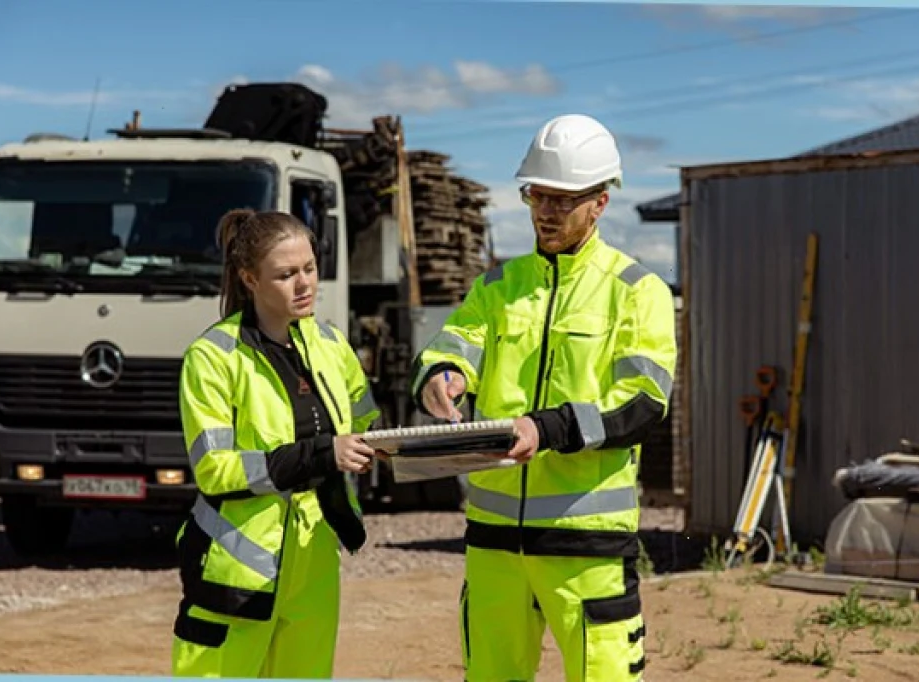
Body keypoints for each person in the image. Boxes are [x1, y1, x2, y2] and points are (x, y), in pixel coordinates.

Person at [410, 114, 677, 682]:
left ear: (600, 202)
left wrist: (548, 429)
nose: (545, 212)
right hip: (495, 545)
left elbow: (641, 403)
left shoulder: (636, 292)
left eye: (563, 200)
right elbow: (450, 346)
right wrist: (443, 374)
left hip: (588, 547)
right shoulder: (497, 287)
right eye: (537, 195)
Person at [171, 208, 384, 679]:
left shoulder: (331, 344)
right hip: (235, 571)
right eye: (286, 274)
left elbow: (366, 423)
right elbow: (214, 470)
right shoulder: (213, 358)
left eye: (309, 268)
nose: (304, 283)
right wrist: (322, 454)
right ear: (249, 277)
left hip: (313, 562)